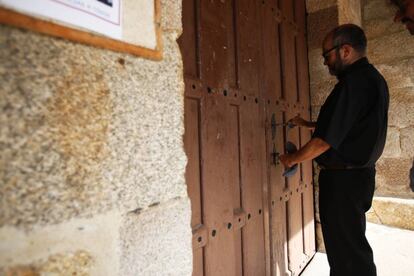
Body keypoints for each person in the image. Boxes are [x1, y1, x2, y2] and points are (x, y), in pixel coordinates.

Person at [279, 24, 389, 276]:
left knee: (347, 254)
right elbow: (351, 125)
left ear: (346, 50)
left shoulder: (354, 83)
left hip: (343, 183)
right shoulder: (373, 80)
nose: (326, 62)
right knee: (350, 248)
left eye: (327, 55)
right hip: (357, 178)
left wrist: (292, 158)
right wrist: (307, 124)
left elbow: (324, 141)